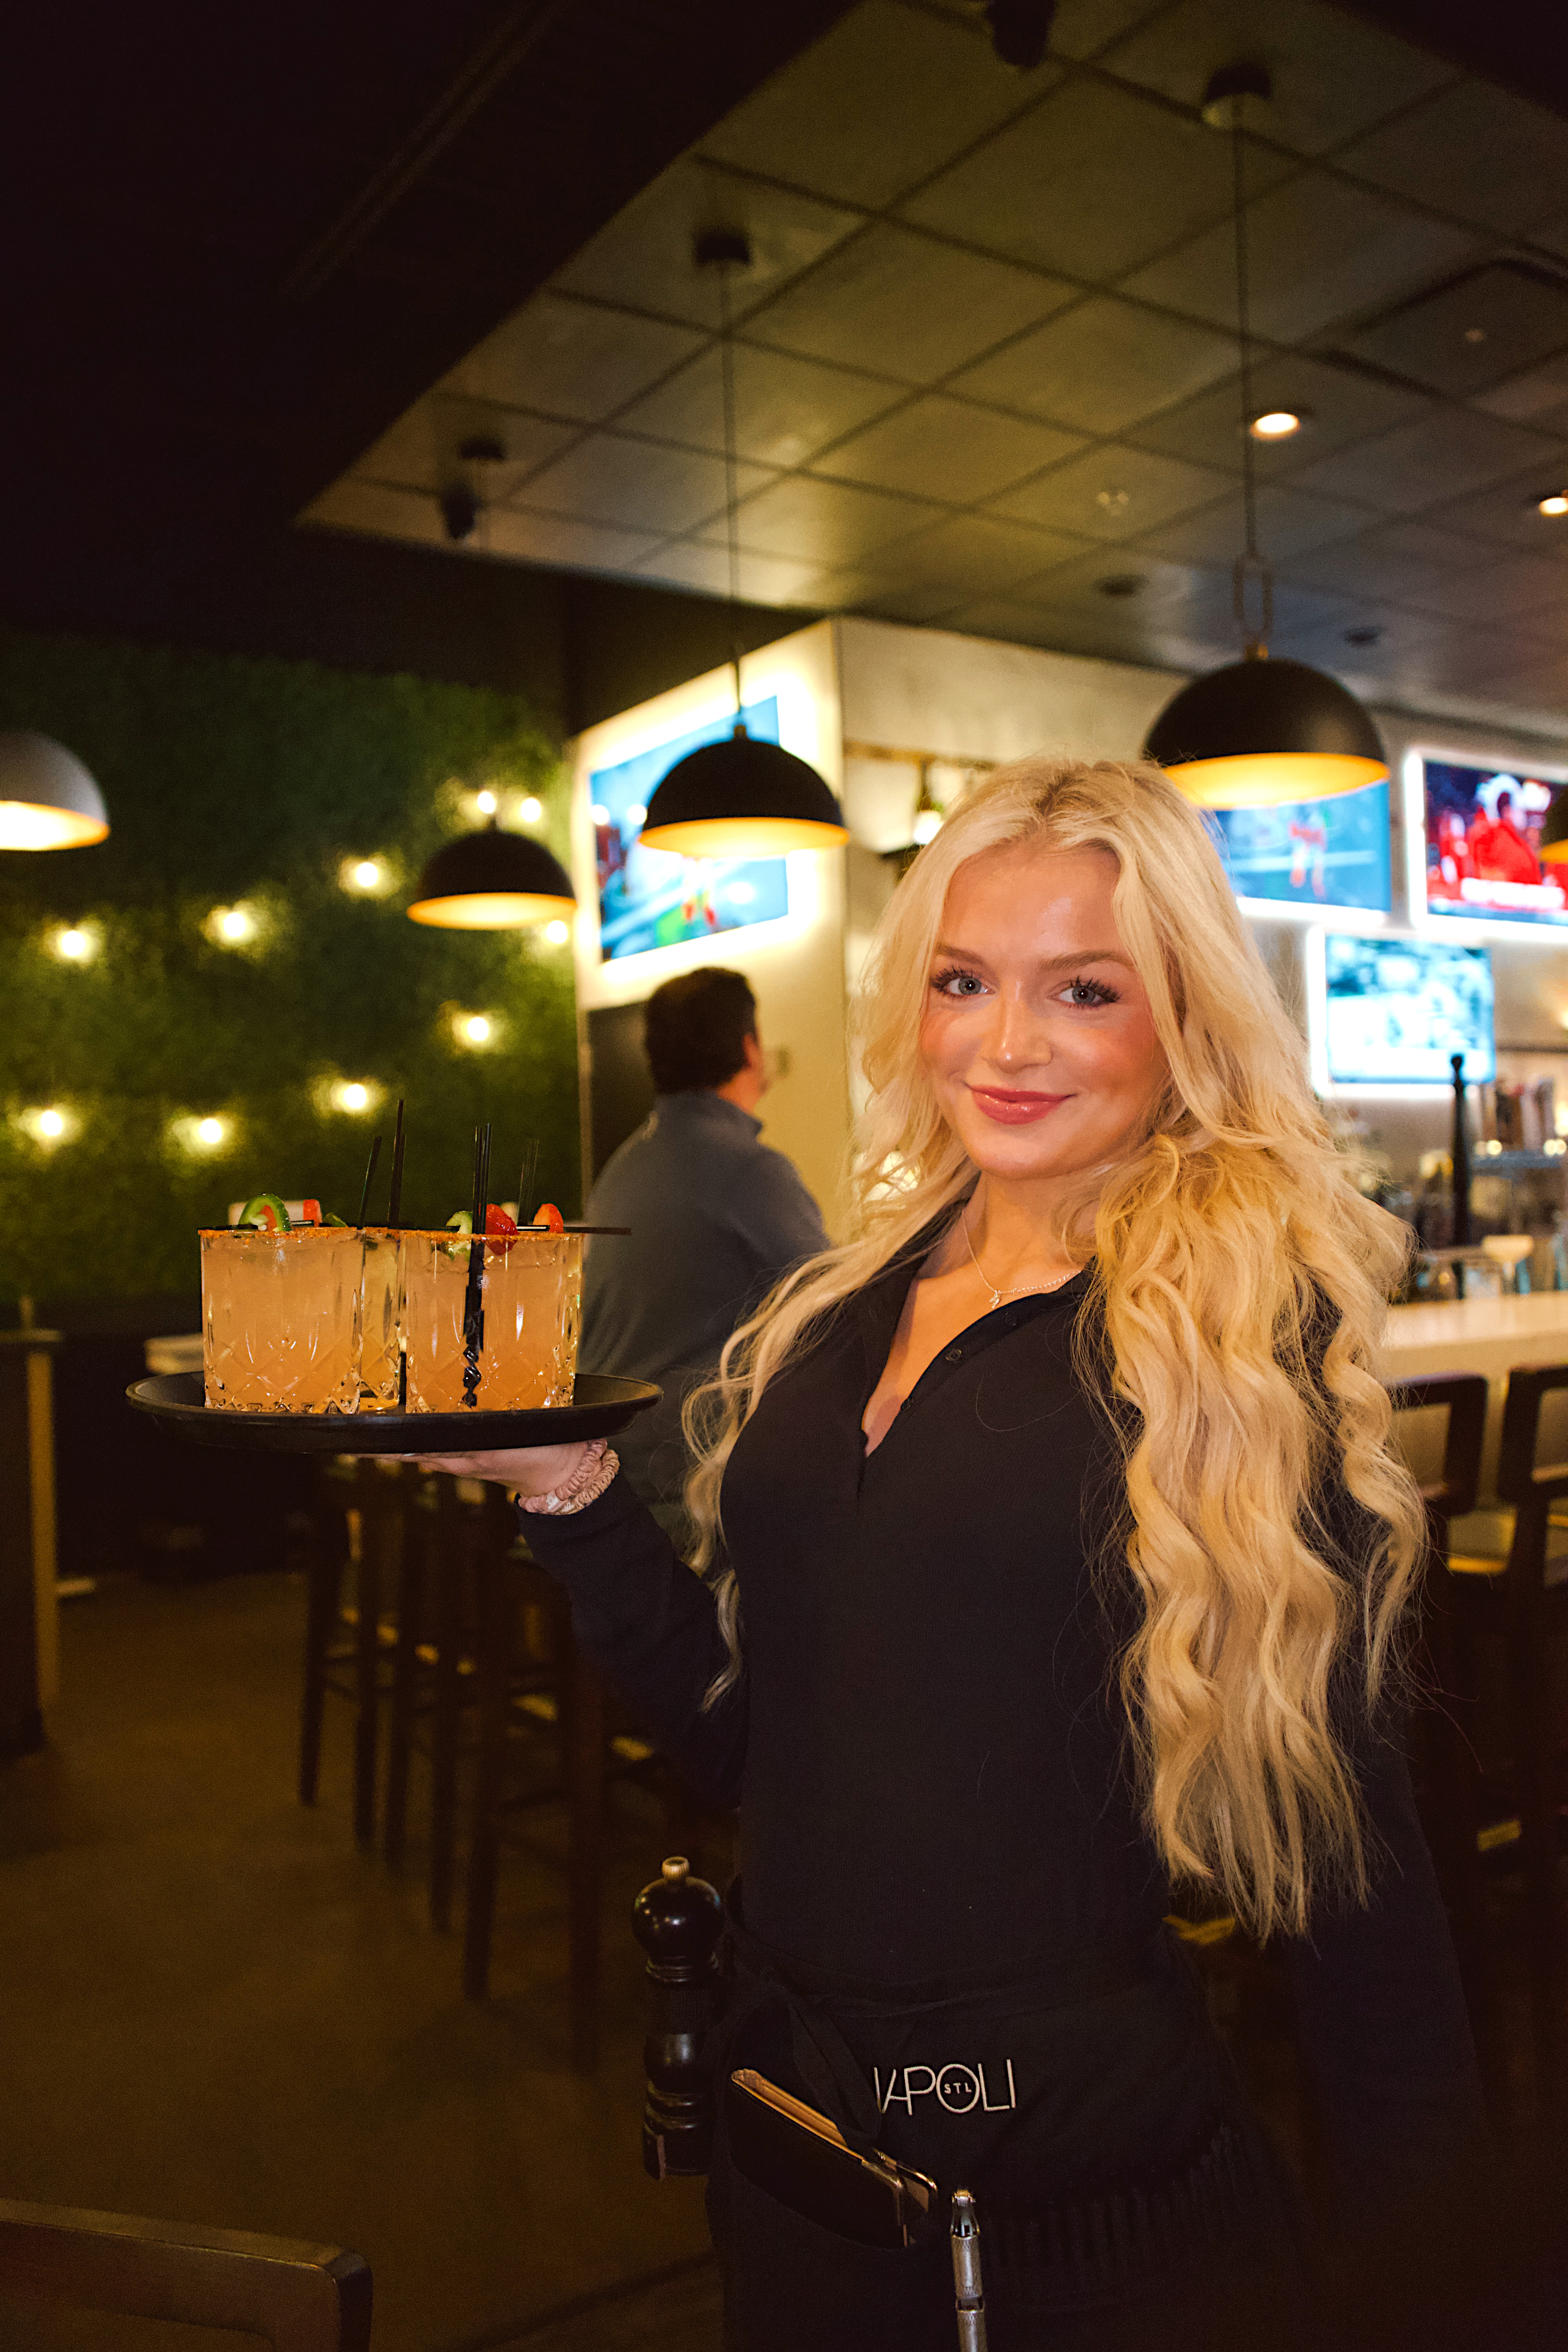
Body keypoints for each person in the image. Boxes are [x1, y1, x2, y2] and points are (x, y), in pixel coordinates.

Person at [419, 759, 1494, 2350]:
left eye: (1082, 990)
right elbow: (745, 1745)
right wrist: (568, 1485)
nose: (1005, 1043)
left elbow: (1350, 1871)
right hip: (796, 2173)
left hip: (1086, 2228)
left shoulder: (1216, 1347)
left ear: (1182, 1020)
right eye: (963, 982)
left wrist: (1449, 2286)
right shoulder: (846, 1308)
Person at [579, 966, 827, 1511]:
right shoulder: (749, 1169)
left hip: (601, 1467)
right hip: (682, 1478)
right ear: (750, 1047)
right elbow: (835, 1306)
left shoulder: (624, 1165)